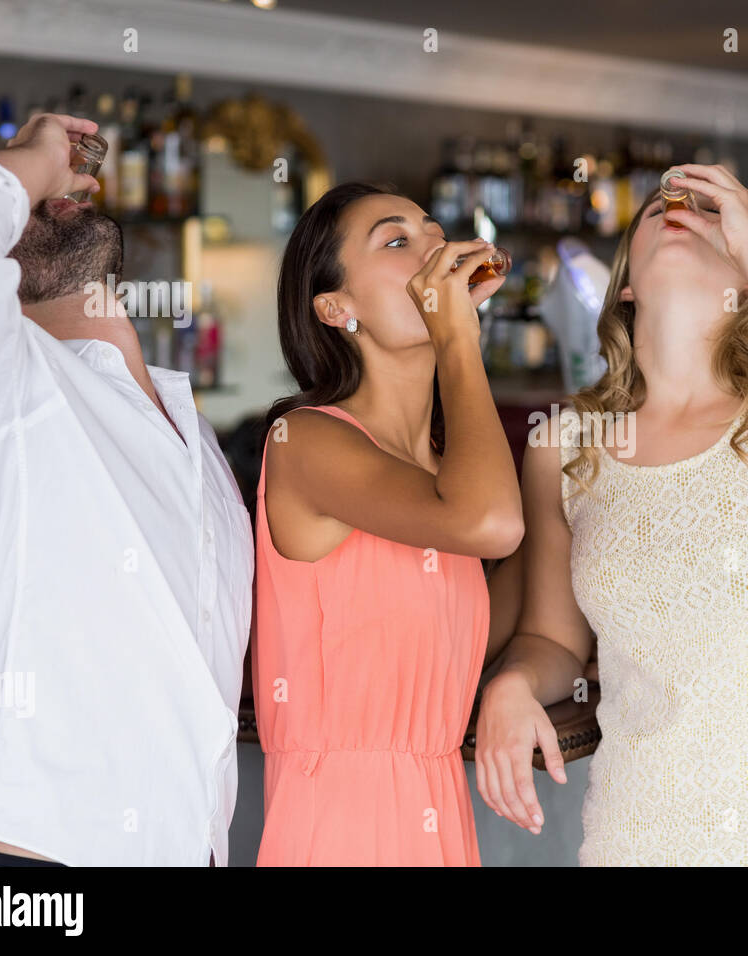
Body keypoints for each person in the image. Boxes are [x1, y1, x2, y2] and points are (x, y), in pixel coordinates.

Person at [475, 164, 748, 865]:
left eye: (710, 214)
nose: (682, 211)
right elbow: (553, 637)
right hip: (635, 826)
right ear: (627, 284)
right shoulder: (563, 447)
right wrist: (513, 685)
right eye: (661, 210)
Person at [0, 113, 253, 866]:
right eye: (23, 197)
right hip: (44, 867)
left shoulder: (195, 435)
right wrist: (38, 158)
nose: (49, 198)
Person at [253, 183, 523, 865]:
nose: (434, 247)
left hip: (438, 819)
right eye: (397, 241)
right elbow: (491, 524)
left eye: (434, 231)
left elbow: (480, 629)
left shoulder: (446, 474)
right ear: (337, 307)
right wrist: (458, 334)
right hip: (340, 830)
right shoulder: (306, 441)